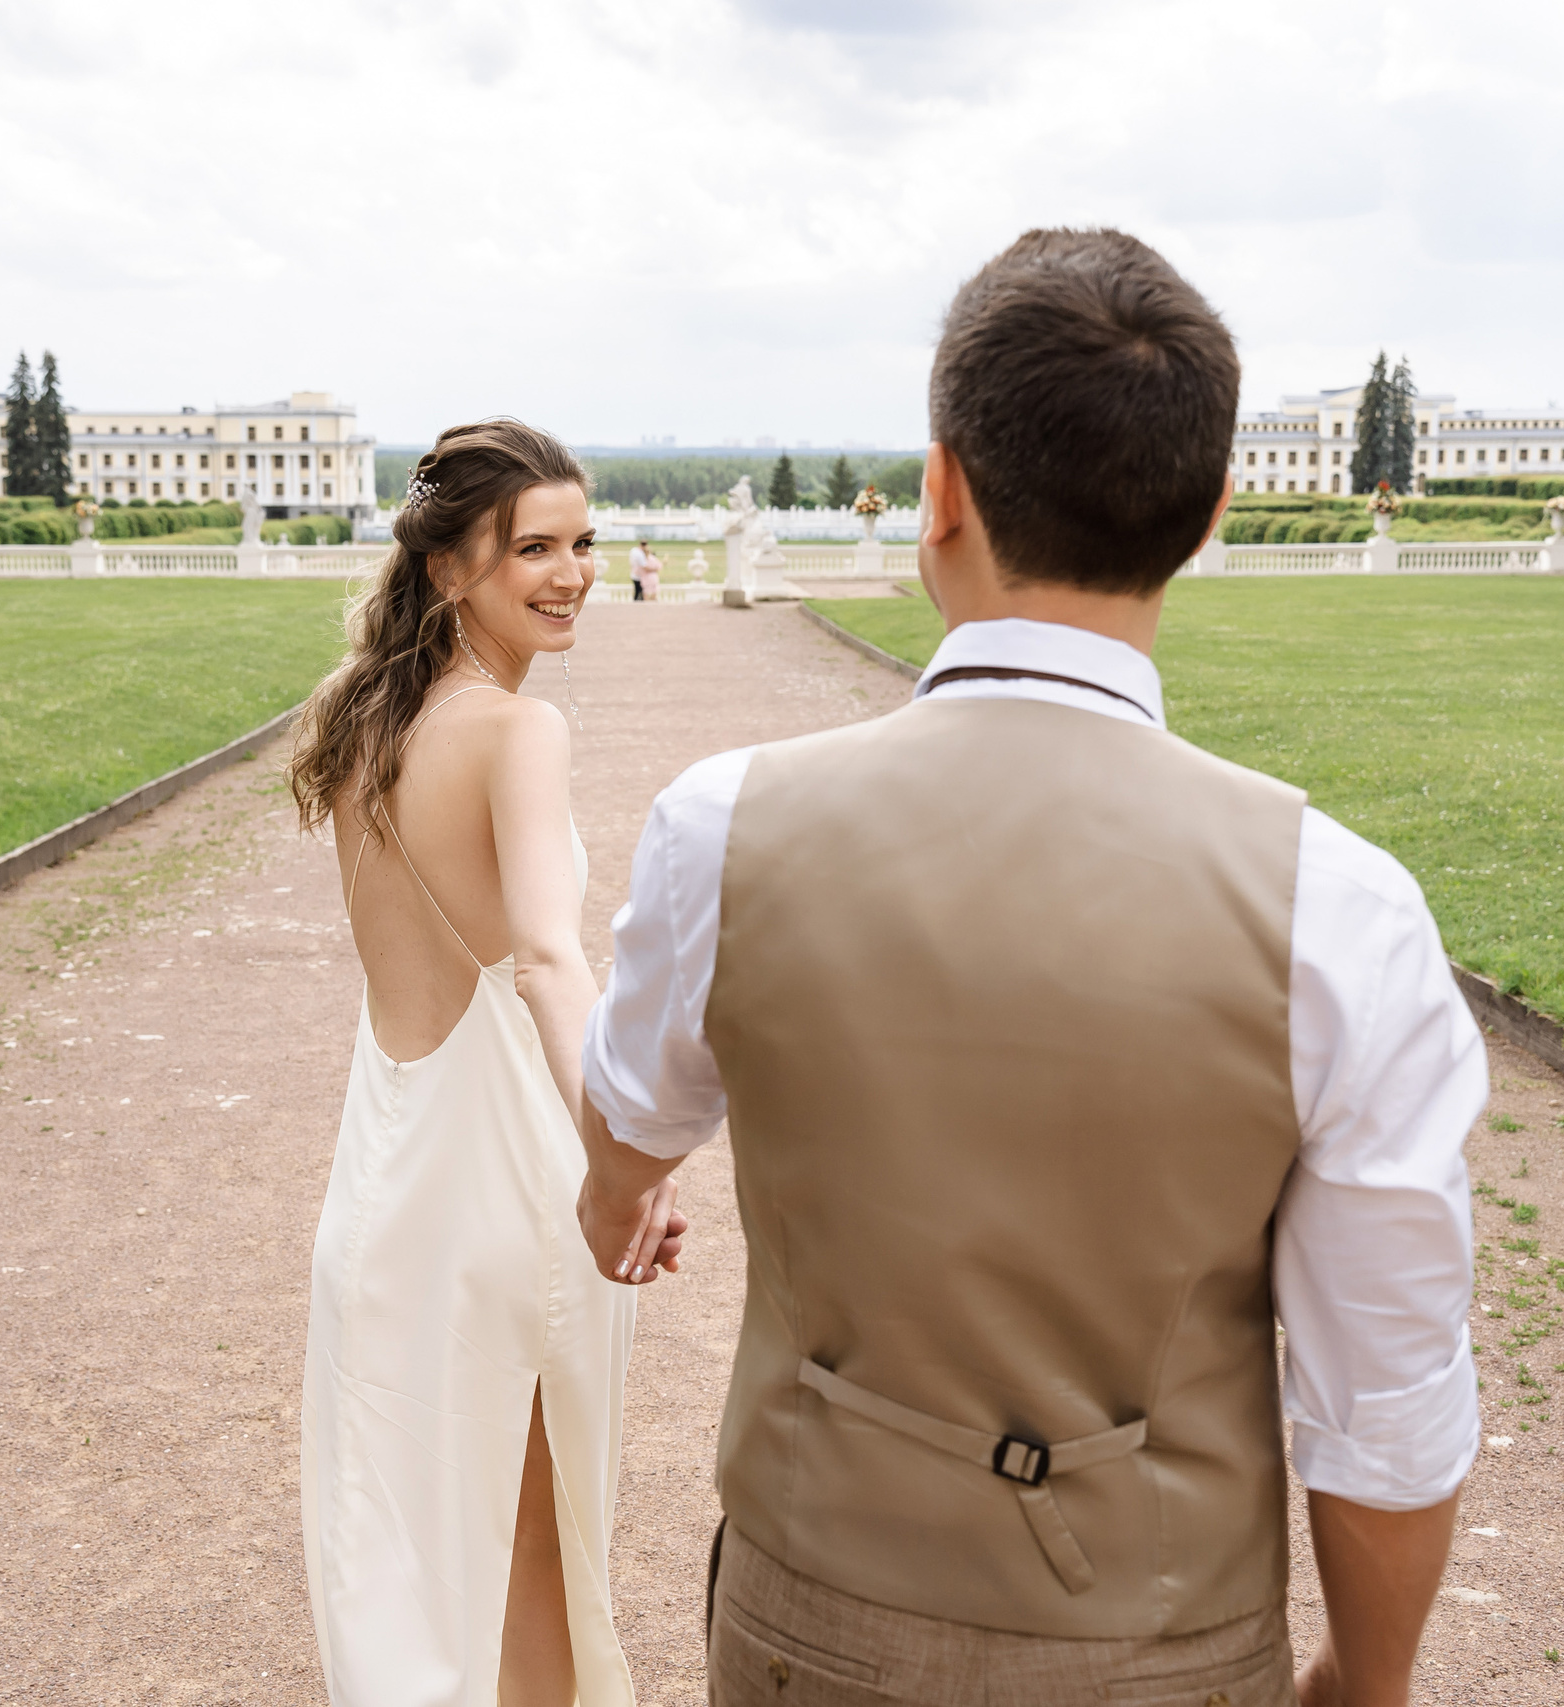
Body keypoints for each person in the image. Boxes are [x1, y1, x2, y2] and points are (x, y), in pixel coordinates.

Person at [576, 229, 1483, 1706]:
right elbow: (1384, 1404)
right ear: (1208, 520)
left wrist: (617, 1198)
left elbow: (629, 1123)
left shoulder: (727, 822)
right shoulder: (1342, 908)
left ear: (941, 491)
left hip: (818, 1610)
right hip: (1159, 1640)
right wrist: (1364, 1683)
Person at [288, 419, 686, 1707]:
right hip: (506, 1184)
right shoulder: (519, 732)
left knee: (411, 1562)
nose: (571, 573)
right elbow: (549, 965)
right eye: (535, 548)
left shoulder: (365, 726)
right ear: (453, 565)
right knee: (538, 1559)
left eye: (583, 543)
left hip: (387, 1192)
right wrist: (613, 1157)